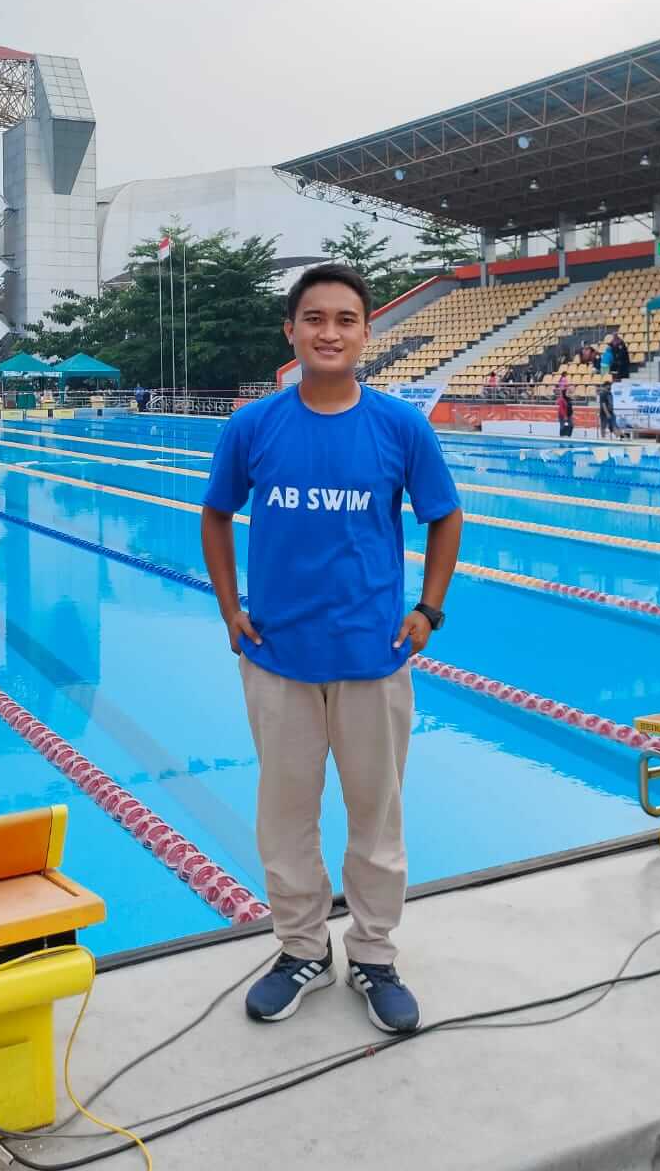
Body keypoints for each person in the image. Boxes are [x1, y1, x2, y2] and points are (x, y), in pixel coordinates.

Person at [200, 262, 462, 1034]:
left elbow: (444, 517)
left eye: (345, 319)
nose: (329, 332)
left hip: (373, 658)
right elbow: (215, 516)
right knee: (285, 819)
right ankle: (302, 951)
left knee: (376, 818)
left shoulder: (399, 426)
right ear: (291, 331)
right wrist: (229, 609)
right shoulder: (253, 426)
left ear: (367, 332)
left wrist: (429, 611)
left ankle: (374, 955)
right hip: (278, 658)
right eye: (314, 318)